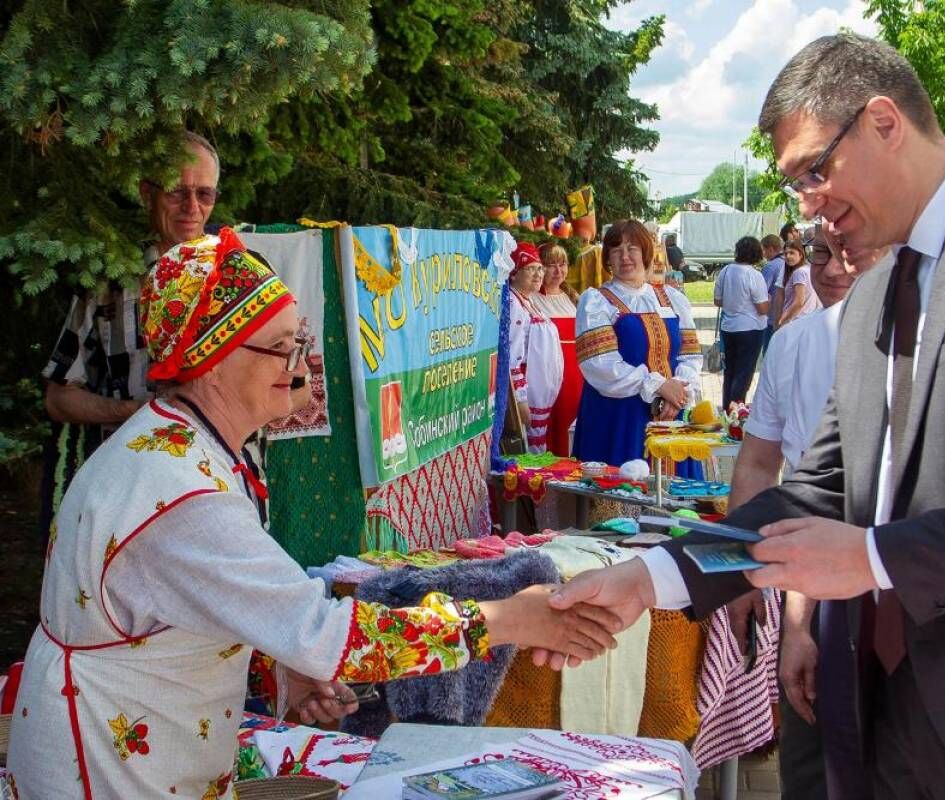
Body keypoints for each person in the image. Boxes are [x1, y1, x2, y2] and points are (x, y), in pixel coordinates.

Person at [541, 33, 945, 800]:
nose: (809, 204)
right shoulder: (874, 297)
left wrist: (875, 558)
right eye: (794, 186)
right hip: (886, 708)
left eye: (814, 171)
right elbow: (815, 493)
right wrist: (653, 577)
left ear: (883, 120)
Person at [8, 229, 620, 799]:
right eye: (280, 348)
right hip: (110, 767)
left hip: (142, 739)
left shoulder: (185, 443)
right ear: (209, 361)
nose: (301, 368)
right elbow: (337, 639)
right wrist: (507, 619)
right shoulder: (180, 490)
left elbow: (183, 605)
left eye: (300, 340)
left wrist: (283, 666)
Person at [727, 223, 891, 800]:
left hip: (890, 581)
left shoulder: (912, 342)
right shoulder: (794, 343)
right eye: (821, 254)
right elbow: (757, 465)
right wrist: (735, 569)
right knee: (813, 755)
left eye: (853, 255)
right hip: (814, 580)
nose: (833, 270)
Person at [39, 132, 220, 529]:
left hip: (214, 491)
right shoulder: (108, 284)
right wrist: (133, 413)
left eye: (204, 194)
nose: (192, 207)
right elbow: (58, 397)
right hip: (127, 495)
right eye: (177, 192)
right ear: (147, 193)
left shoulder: (235, 278)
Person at [572, 219, 702, 476]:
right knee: (621, 499)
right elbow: (600, 365)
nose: (625, 256)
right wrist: (659, 386)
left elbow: (690, 354)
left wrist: (677, 391)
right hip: (619, 416)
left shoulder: (671, 298)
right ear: (607, 256)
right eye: (616, 249)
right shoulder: (597, 302)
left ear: (646, 251)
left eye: (632, 248)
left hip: (671, 414)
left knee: (676, 501)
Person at [507, 242, 563, 454]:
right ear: (513, 274)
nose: (538, 274)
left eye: (540, 268)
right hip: (528, 398)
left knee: (536, 450)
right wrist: (520, 401)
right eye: (530, 268)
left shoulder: (528, 301)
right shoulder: (513, 304)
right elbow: (513, 357)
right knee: (528, 453)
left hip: (539, 397)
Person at [530, 242, 582, 457]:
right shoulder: (531, 299)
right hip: (547, 376)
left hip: (576, 376)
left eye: (563, 265)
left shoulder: (574, 298)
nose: (558, 271)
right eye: (551, 265)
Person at [713, 236, 768, 409]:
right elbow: (762, 308)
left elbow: (717, 301)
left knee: (730, 372)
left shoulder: (726, 271)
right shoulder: (754, 275)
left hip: (728, 327)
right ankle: (736, 411)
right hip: (751, 328)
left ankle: (726, 409)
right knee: (744, 374)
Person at [776, 237, 822, 327]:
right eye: (786, 254)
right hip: (806, 320)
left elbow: (799, 302)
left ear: (801, 255)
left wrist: (781, 321)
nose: (788, 256)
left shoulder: (799, 272)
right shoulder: (808, 269)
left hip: (794, 322)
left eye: (792, 253)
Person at [759, 234, 785, 354]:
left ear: (770, 249)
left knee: (768, 353)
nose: (763, 254)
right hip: (785, 315)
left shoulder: (770, 266)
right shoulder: (787, 263)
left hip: (771, 318)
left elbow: (761, 291)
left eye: (763, 250)